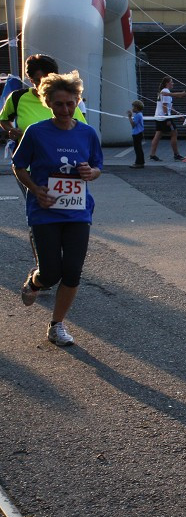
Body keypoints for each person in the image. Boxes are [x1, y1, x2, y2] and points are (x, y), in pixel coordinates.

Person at [12, 70, 103, 347]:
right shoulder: (36, 132)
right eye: (59, 103)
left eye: (70, 103)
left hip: (78, 211)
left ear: (77, 101)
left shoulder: (87, 133)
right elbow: (18, 166)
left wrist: (91, 172)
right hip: (45, 210)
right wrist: (36, 189)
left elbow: (98, 167)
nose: (65, 109)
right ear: (48, 102)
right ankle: (35, 283)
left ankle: (57, 325)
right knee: (50, 273)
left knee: (73, 271)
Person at [1, 54, 86, 270]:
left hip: (62, 169)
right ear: (30, 80)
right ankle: (44, 266)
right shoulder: (18, 98)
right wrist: (10, 130)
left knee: (63, 213)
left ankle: (61, 262)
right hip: (29, 168)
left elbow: (84, 131)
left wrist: (90, 167)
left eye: (47, 78)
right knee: (40, 210)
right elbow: (3, 119)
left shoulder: (65, 99)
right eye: (38, 80)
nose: (43, 85)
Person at [148, 76, 186, 162]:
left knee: (158, 135)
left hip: (159, 116)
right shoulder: (165, 91)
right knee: (174, 133)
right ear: (167, 83)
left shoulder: (163, 91)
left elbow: (169, 106)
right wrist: (167, 118)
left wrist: (177, 113)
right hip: (164, 117)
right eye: (171, 82)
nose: (173, 83)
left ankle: (152, 154)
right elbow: (164, 106)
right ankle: (176, 154)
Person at [127, 100, 146, 168]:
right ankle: (140, 162)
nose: (132, 109)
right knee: (138, 148)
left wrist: (129, 117)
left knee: (137, 149)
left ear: (137, 108)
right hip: (138, 133)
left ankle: (139, 163)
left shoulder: (138, 115)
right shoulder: (138, 114)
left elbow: (133, 125)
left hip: (137, 133)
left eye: (133, 107)